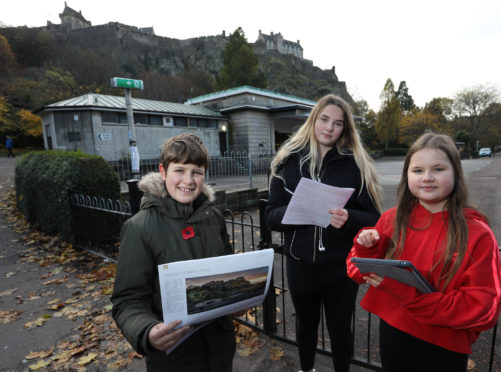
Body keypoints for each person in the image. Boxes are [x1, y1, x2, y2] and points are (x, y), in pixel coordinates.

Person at [347, 132, 501, 372]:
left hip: (443, 343)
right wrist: (366, 248)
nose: (427, 178)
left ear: (456, 173)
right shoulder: (391, 219)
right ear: (407, 175)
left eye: (438, 169)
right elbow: (356, 270)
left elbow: (484, 309)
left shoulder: (477, 233)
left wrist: (411, 296)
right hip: (393, 331)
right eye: (417, 170)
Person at [264, 94, 382, 372]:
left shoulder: (355, 165)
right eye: (324, 119)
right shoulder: (288, 162)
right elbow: (270, 215)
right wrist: (296, 211)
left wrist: (350, 218)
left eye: (338, 123)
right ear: (313, 120)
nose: (329, 128)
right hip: (300, 264)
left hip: (341, 267)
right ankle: (307, 369)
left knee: (340, 328)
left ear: (345, 129)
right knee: (305, 325)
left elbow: (375, 218)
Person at [111, 133, 237, 372]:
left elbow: (227, 273)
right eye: (180, 170)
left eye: (197, 172)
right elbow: (128, 300)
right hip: (175, 357)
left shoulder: (215, 219)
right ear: (163, 171)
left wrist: (237, 298)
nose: (188, 180)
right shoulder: (140, 227)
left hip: (220, 348)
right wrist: (147, 331)